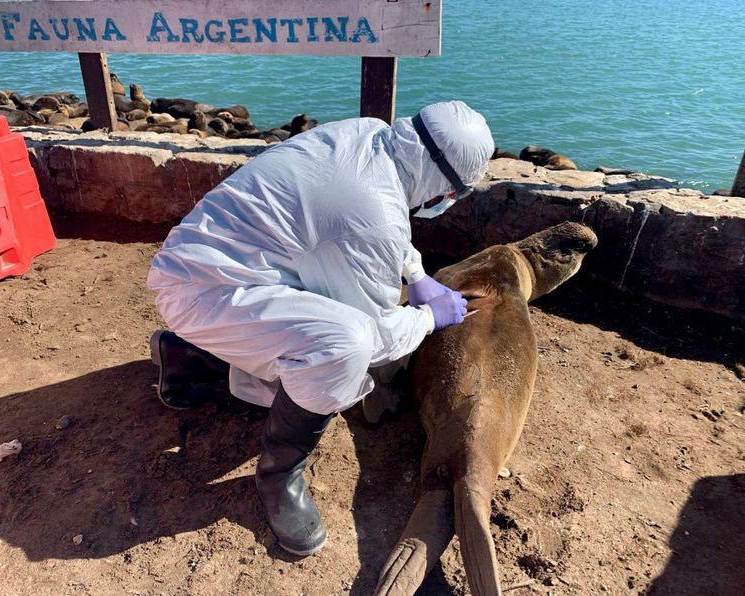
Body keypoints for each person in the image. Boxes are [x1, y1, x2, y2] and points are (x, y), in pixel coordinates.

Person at [146, 100, 494, 556]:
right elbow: (377, 334)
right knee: (344, 345)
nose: (449, 202)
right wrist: (430, 318)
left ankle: (187, 357)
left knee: (325, 316)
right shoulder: (373, 211)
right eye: (455, 193)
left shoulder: (370, 136)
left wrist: (416, 274)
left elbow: (375, 223)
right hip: (203, 292)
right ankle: (278, 474)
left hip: (207, 260)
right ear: (442, 183)